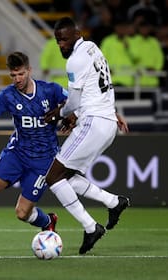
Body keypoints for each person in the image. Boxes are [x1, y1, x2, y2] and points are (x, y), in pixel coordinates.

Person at [0, 51, 69, 246]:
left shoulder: (50, 90)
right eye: (13, 75)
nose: (17, 79)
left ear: (29, 71)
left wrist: (72, 117)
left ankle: (48, 221)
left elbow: (75, 101)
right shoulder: (7, 95)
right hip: (16, 154)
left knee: (22, 213)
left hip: (44, 161)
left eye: (21, 74)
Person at [44, 17, 130, 255]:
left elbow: (73, 101)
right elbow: (102, 88)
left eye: (64, 39)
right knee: (66, 177)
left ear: (76, 34)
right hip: (106, 123)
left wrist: (58, 113)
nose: (61, 44)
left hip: (93, 124)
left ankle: (91, 227)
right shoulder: (93, 47)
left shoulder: (75, 60)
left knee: (52, 176)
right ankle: (114, 202)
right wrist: (113, 112)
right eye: (57, 40)